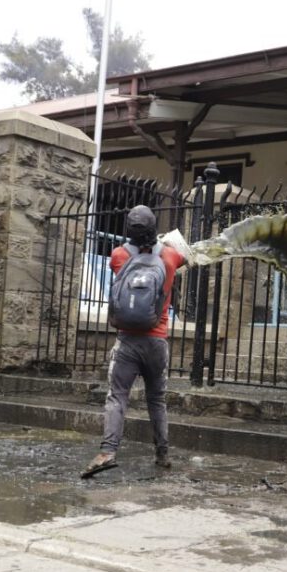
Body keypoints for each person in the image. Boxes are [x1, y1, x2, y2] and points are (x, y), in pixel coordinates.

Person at [81, 205, 186, 479]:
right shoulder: (171, 256)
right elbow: (185, 256)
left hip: (127, 341)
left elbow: (121, 263)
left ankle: (108, 452)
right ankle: (162, 453)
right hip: (157, 341)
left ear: (128, 230)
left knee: (117, 396)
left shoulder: (118, 256)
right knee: (156, 399)